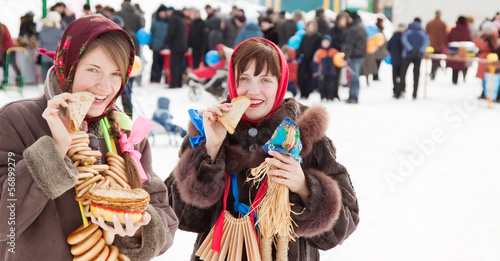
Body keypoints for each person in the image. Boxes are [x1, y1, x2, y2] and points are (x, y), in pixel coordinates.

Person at [0, 16, 178, 260]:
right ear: (69, 65)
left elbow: (162, 212)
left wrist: (139, 230)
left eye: (116, 73)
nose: (105, 87)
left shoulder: (124, 131)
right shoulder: (18, 119)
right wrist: (55, 150)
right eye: (93, 70)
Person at [165, 37, 358, 261]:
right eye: (244, 78)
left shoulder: (307, 137)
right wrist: (212, 147)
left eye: (265, 79)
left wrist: (304, 187)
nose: (253, 90)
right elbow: (183, 217)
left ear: (280, 83)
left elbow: (342, 228)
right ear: (231, 82)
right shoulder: (207, 130)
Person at [398, 17, 429, 100]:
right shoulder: (422, 31)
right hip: (418, 56)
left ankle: (400, 91)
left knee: (403, 73)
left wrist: (411, 50)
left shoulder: (408, 30)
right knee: (416, 74)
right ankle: (415, 93)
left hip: (407, 55)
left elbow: (404, 40)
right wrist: (419, 51)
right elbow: (426, 42)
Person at [342, 10, 367, 103]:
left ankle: (353, 97)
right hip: (360, 56)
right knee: (356, 76)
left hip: (355, 56)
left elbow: (350, 45)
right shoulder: (361, 26)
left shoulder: (353, 29)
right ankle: (354, 96)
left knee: (354, 77)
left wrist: (346, 56)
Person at [296, 20, 322, 99]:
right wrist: (296, 56)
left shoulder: (318, 37)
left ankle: (307, 93)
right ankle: (302, 92)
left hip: (312, 60)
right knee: (301, 75)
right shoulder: (305, 36)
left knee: (310, 77)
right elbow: (301, 47)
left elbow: (318, 49)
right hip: (304, 59)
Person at [474, 21, 499, 99]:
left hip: (488, 59)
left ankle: (487, 94)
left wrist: (479, 37)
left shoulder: (491, 38)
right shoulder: (495, 37)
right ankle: (487, 94)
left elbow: (481, 45)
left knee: (487, 78)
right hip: (491, 59)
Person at [163, 7, 187, 88]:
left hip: (176, 45)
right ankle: (179, 83)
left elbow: (171, 32)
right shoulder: (182, 18)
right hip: (183, 45)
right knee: (179, 65)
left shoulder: (173, 18)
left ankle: (174, 84)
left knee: (174, 65)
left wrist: (165, 43)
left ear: (171, 11)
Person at [38, 11, 64, 82]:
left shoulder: (43, 30)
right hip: (54, 55)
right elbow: (64, 36)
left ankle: (44, 87)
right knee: (54, 75)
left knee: (45, 74)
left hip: (45, 55)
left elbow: (40, 39)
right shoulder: (57, 30)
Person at [446, 16, 472, 85]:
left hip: (453, 49)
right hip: (463, 49)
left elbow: (448, 38)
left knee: (454, 64)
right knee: (463, 64)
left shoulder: (454, 29)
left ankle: (454, 79)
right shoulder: (467, 30)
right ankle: (463, 77)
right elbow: (469, 39)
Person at [313, 35, 339, 101]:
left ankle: (330, 97)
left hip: (331, 72)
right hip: (322, 72)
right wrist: (315, 71)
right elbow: (316, 62)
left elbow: (339, 59)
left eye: (327, 42)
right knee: (322, 85)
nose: (325, 44)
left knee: (330, 85)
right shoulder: (319, 52)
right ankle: (323, 97)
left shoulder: (333, 51)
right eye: (324, 42)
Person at [426, 10, 447, 80]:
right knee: (437, 59)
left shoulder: (430, 23)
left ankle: (433, 71)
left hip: (431, 44)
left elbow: (426, 33)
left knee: (433, 59)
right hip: (439, 45)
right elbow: (445, 35)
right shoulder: (443, 24)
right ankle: (434, 71)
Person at [150, 5, 169, 83]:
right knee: (155, 62)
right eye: (161, 12)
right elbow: (152, 32)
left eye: (164, 12)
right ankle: (153, 77)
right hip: (155, 45)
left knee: (162, 63)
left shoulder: (168, 22)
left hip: (164, 46)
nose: (163, 14)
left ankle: (159, 77)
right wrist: (150, 43)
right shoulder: (155, 21)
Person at [0, 22, 22, 86]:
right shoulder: (2, 26)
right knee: (7, 65)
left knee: (12, 64)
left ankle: (19, 80)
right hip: (8, 48)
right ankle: (5, 81)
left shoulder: (1, 27)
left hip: (9, 48)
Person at [387, 23, 405, 98]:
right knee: (402, 75)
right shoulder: (404, 37)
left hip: (394, 58)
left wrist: (392, 52)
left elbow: (388, 46)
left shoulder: (393, 36)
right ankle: (401, 89)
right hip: (403, 59)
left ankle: (395, 90)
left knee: (394, 75)